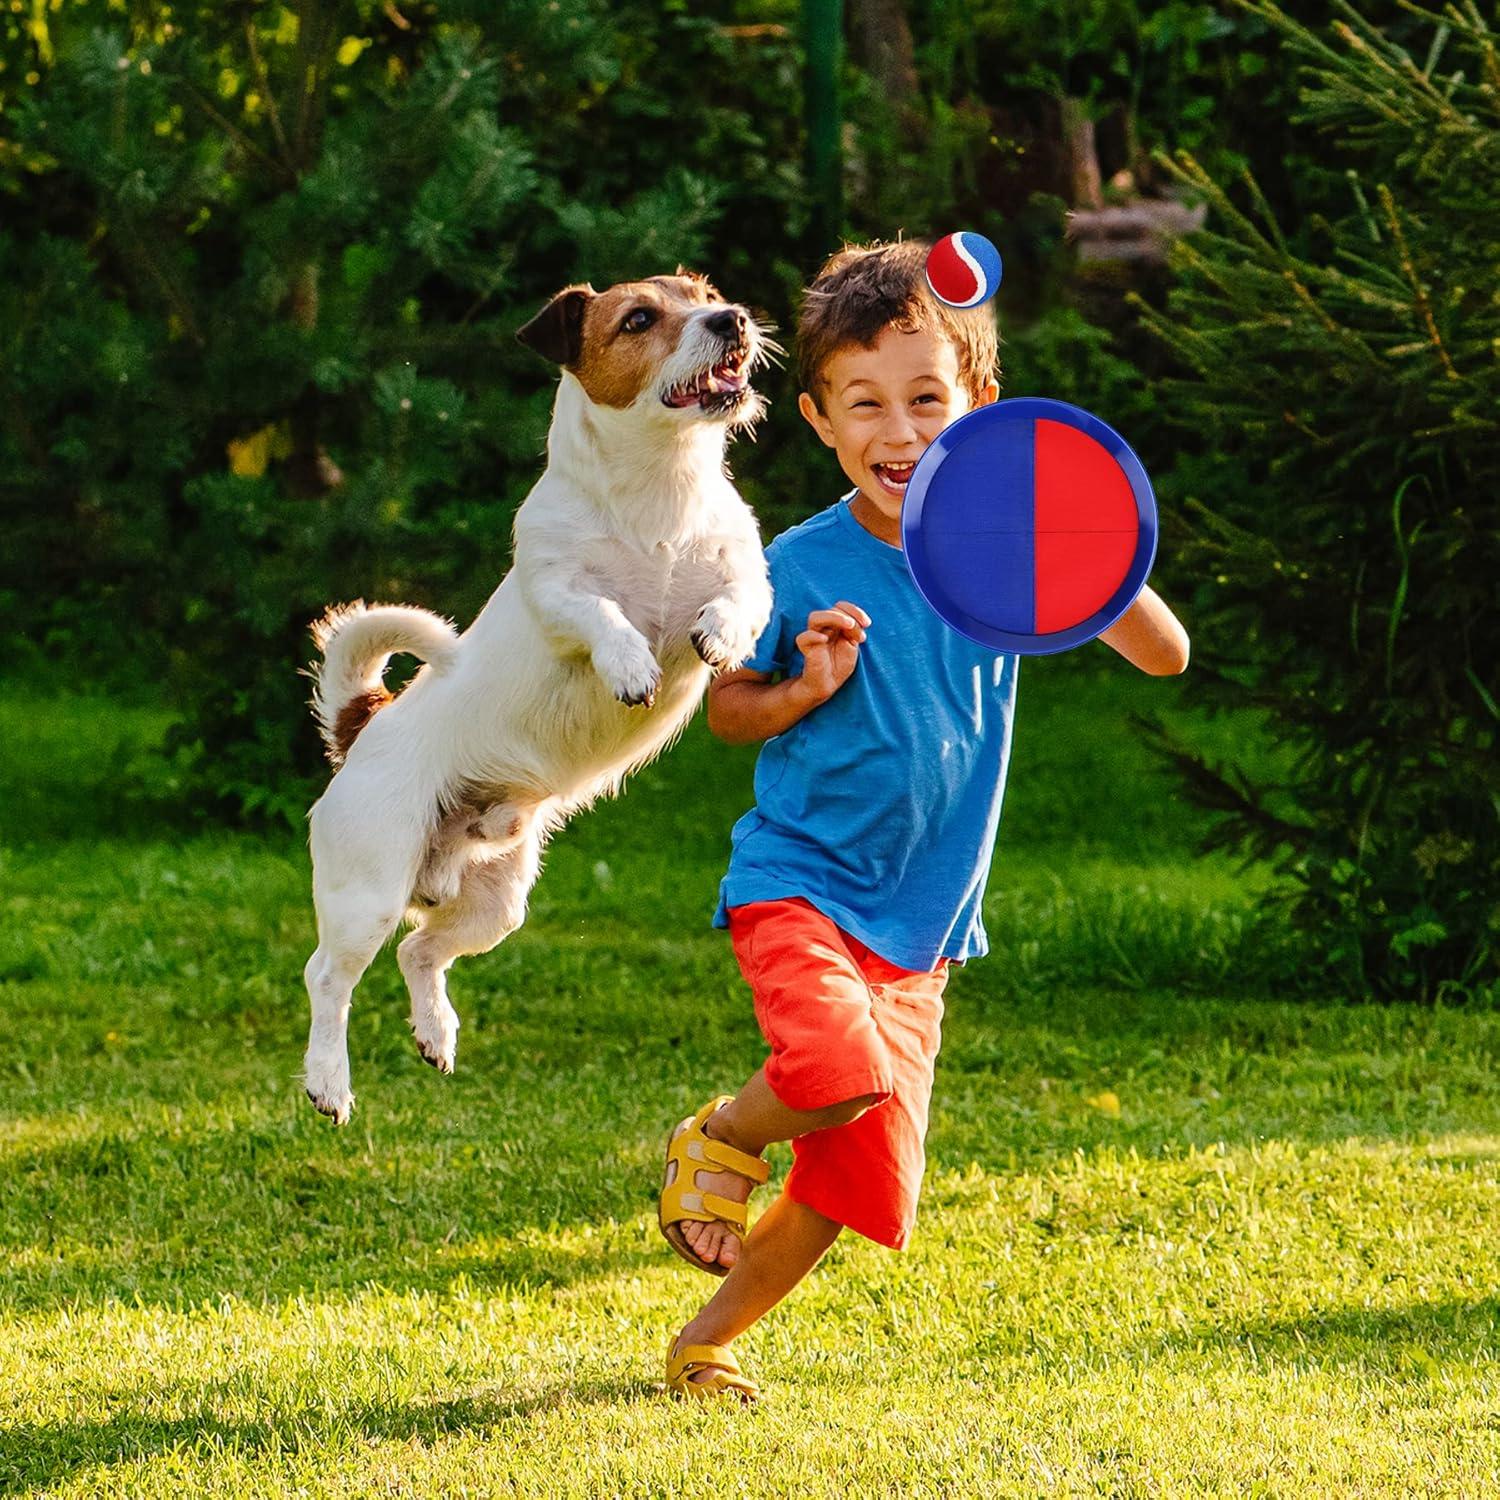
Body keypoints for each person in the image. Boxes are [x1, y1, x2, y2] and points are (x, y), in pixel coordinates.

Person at [657, 236, 1190, 1401]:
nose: (898, 432)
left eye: (927, 400)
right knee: (835, 1068)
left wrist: (1076, 528)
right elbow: (728, 711)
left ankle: (706, 1343)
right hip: (804, 882)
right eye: (865, 404)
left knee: (850, 1184)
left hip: (921, 926)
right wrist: (802, 689)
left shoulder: (1014, 556)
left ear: (981, 405)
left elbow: (1165, 653)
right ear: (817, 419)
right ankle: (725, 1136)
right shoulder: (798, 562)